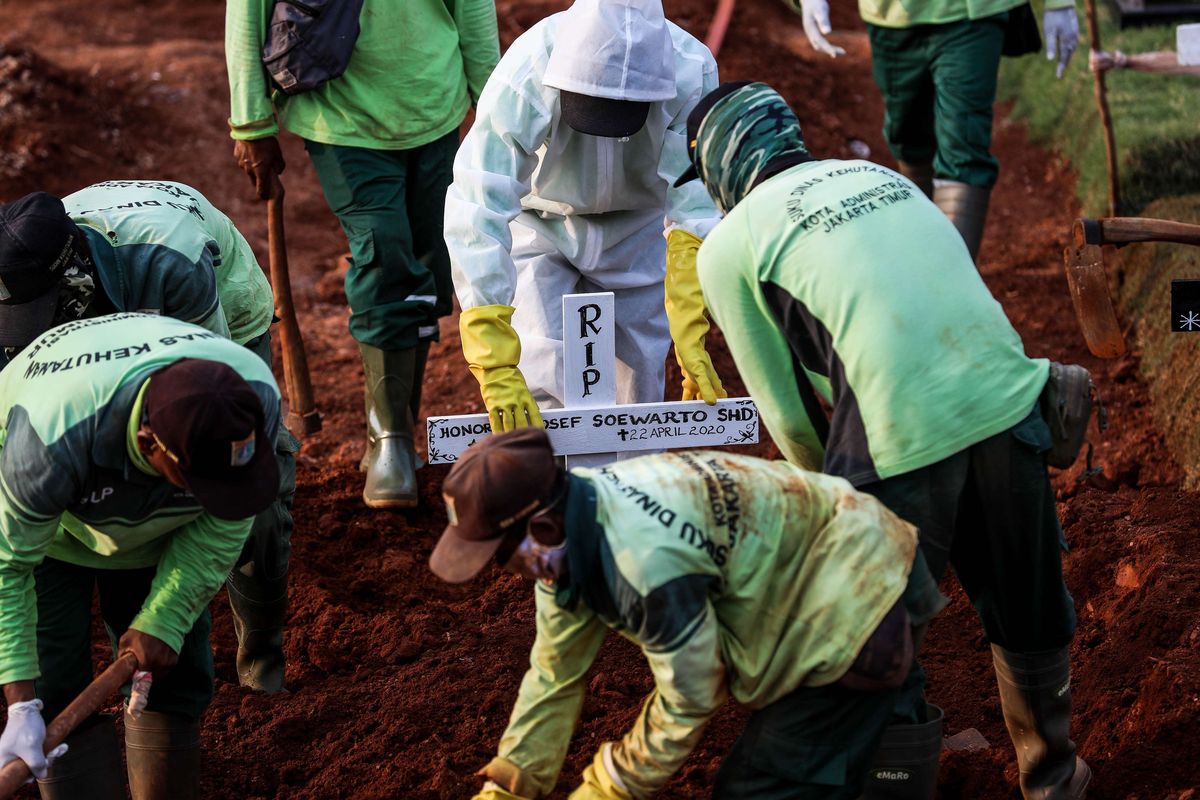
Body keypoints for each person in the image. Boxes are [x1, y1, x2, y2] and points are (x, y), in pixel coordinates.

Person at [677, 81, 1089, 798]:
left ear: (717, 166)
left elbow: (787, 414)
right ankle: (1054, 775)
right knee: (1026, 605)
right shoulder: (881, 178)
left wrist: (835, 505)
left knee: (876, 643)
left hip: (897, 432)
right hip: (1010, 395)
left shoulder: (730, 243)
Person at [429, 428, 945, 800]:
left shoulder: (644, 566)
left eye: (500, 553)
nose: (502, 569)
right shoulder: (573, 529)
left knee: (763, 785)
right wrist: (512, 779)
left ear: (541, 529)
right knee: (853, 744)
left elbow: (692, 695)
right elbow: (554, 673)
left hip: (857, 592)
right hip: (843, 548)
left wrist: (609, 786)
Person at [0, 184, 296, 695]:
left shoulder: (170, 263)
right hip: (103, 347)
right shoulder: (21, 266)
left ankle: (261, 654)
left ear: (77, 277)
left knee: (245, 489)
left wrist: (168, 610)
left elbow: (208, 385)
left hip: (212, 328)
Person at [226, 0, 500, 508]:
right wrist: (251, 123)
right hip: (344, 114)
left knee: (431, 265)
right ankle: (390, 440)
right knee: (385, 256)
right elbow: (247, 12)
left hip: (435, 106)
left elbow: (473, 8)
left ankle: (398, 430)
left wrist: (496, 103)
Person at [0, 312, 281, 800]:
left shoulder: (249, 397)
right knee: (54, 677)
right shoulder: (49, 439)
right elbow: (8, 566)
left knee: (173, 671)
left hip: (162, 526)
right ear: (151, 444)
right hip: (49, 535)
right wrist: (23, 705)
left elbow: (228, 514)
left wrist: (166, 617)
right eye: (199, 478)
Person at [444, 0, 725, 435]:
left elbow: (695, 198)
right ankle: (550, 493)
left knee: (639, 392)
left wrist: (690, 314)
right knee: (541, 374)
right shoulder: (532, 62)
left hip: (636, 228)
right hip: (541, 225)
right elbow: (479, 197)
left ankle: (629, 494)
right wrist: (491, 347)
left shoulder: (692, 68)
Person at [783, 0, 1080, 259]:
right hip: (891, 17)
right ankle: (921, 250)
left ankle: (952, 284)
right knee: (907, 137)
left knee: (965, 144)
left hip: (973, 15)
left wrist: (1060, 3)